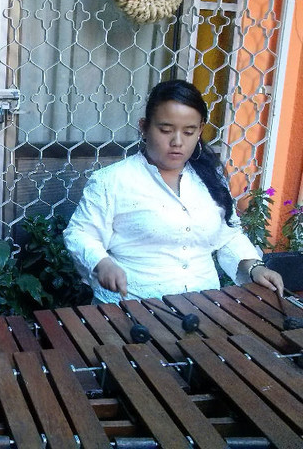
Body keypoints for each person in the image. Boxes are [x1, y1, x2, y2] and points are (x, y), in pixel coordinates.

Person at [63, 79, 283, 304]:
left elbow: (228, 236)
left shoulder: (210, 179)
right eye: (166, 130)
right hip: (131, 309)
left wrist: (253, 266)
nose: (177, 142)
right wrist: (102, 263)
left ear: (200, 130)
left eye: (188, 132)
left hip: (203, 308)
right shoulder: (112, 180)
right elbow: (81, 233)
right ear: (144, 127)